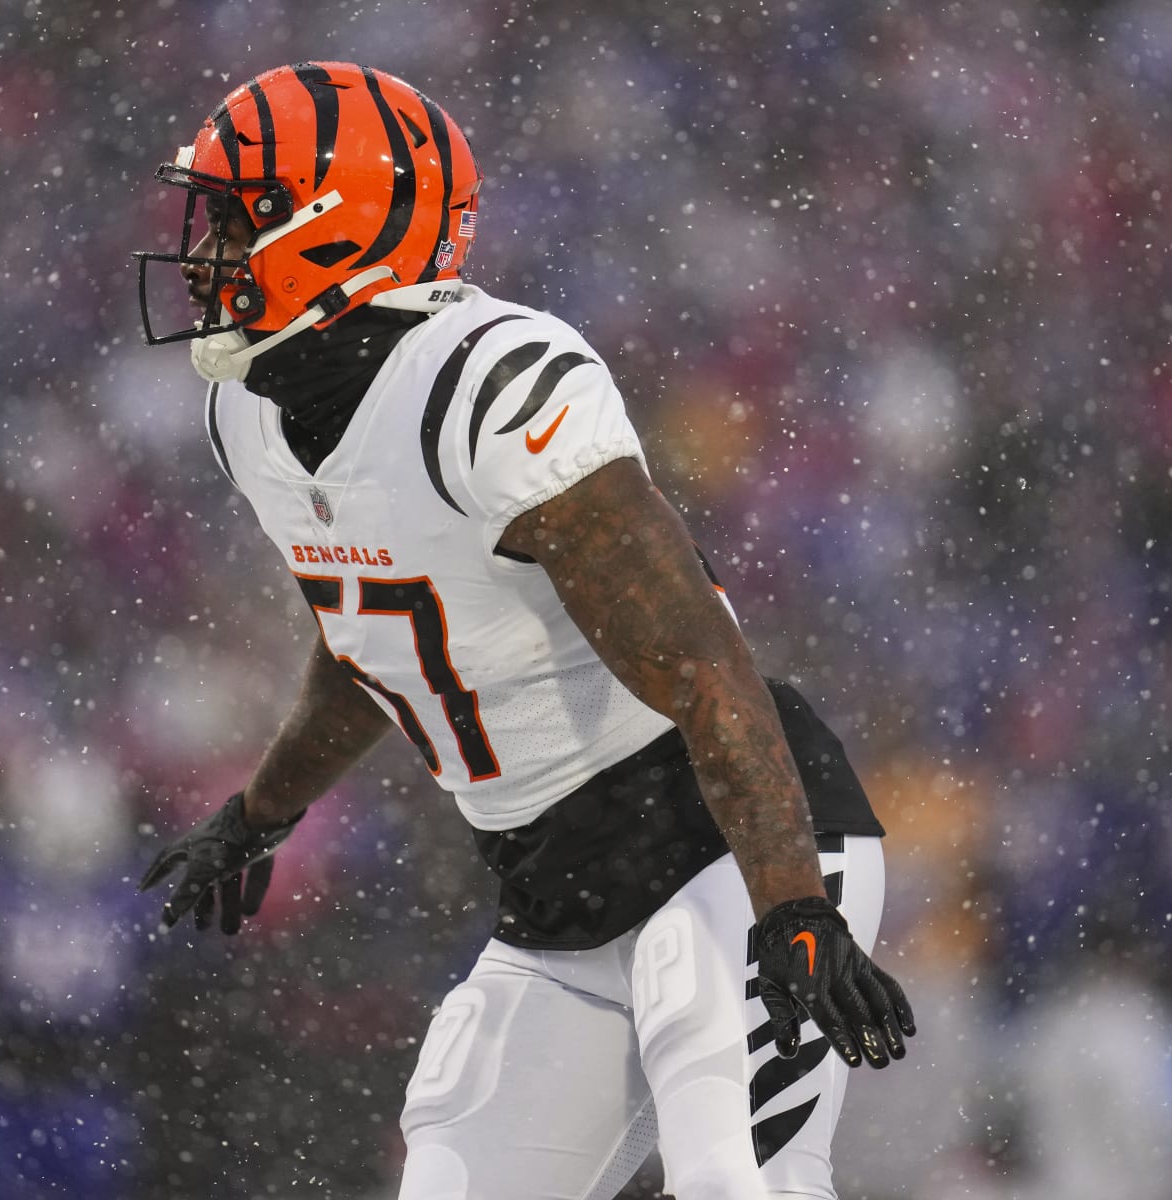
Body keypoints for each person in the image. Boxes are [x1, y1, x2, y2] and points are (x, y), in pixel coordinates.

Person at [135, 61, 915, 1200]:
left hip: (723, 842)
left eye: (236, 217)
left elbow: (705, 669)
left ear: (336, 228)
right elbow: (373, 639)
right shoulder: (248, 410)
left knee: (732, 1176)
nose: (204, 253)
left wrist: (793, 907)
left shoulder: (487, 387)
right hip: (560, 892)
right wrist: (261, 814)